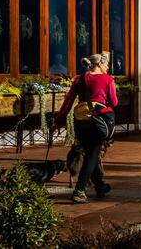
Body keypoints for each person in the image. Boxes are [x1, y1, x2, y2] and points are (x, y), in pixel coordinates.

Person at [55, 52, 117, 203]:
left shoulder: (79, 79)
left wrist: (58, 120)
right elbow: (114, 102)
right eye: (106, 64)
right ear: (100, 64)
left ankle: (100, 186)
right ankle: (79, 191)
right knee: (92, 155)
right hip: (98, 123)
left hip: (81, 122)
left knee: (90, 152)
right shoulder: (107, 80)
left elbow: (68, 102)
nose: (108, 67)